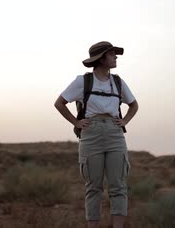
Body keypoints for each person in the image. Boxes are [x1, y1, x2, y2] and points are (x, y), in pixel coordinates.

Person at [54, 41, 139, 228]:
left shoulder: (118, 82)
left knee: (118, 186)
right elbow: (59, 103)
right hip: (91, 134)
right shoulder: (82, 81)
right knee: (94, 188)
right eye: (112, 54)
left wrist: (124, 121)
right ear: (101, 59)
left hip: (115, 133)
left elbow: (134, 105)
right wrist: (76, 122)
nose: (115, 57)